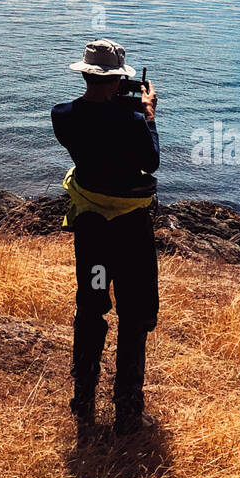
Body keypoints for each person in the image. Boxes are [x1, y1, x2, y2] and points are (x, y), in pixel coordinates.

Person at [51, 39, 159, 437]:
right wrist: (148, 118)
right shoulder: (132, 122)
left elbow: (93, 140)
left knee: (92, 306)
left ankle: (83, 401)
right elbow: (149, 162)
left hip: (93, 231)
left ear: (84, 73)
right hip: (130, 234)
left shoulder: (62, 116)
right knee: (134, 314)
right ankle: (128, 411)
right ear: (117, 80)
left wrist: (126, 115)